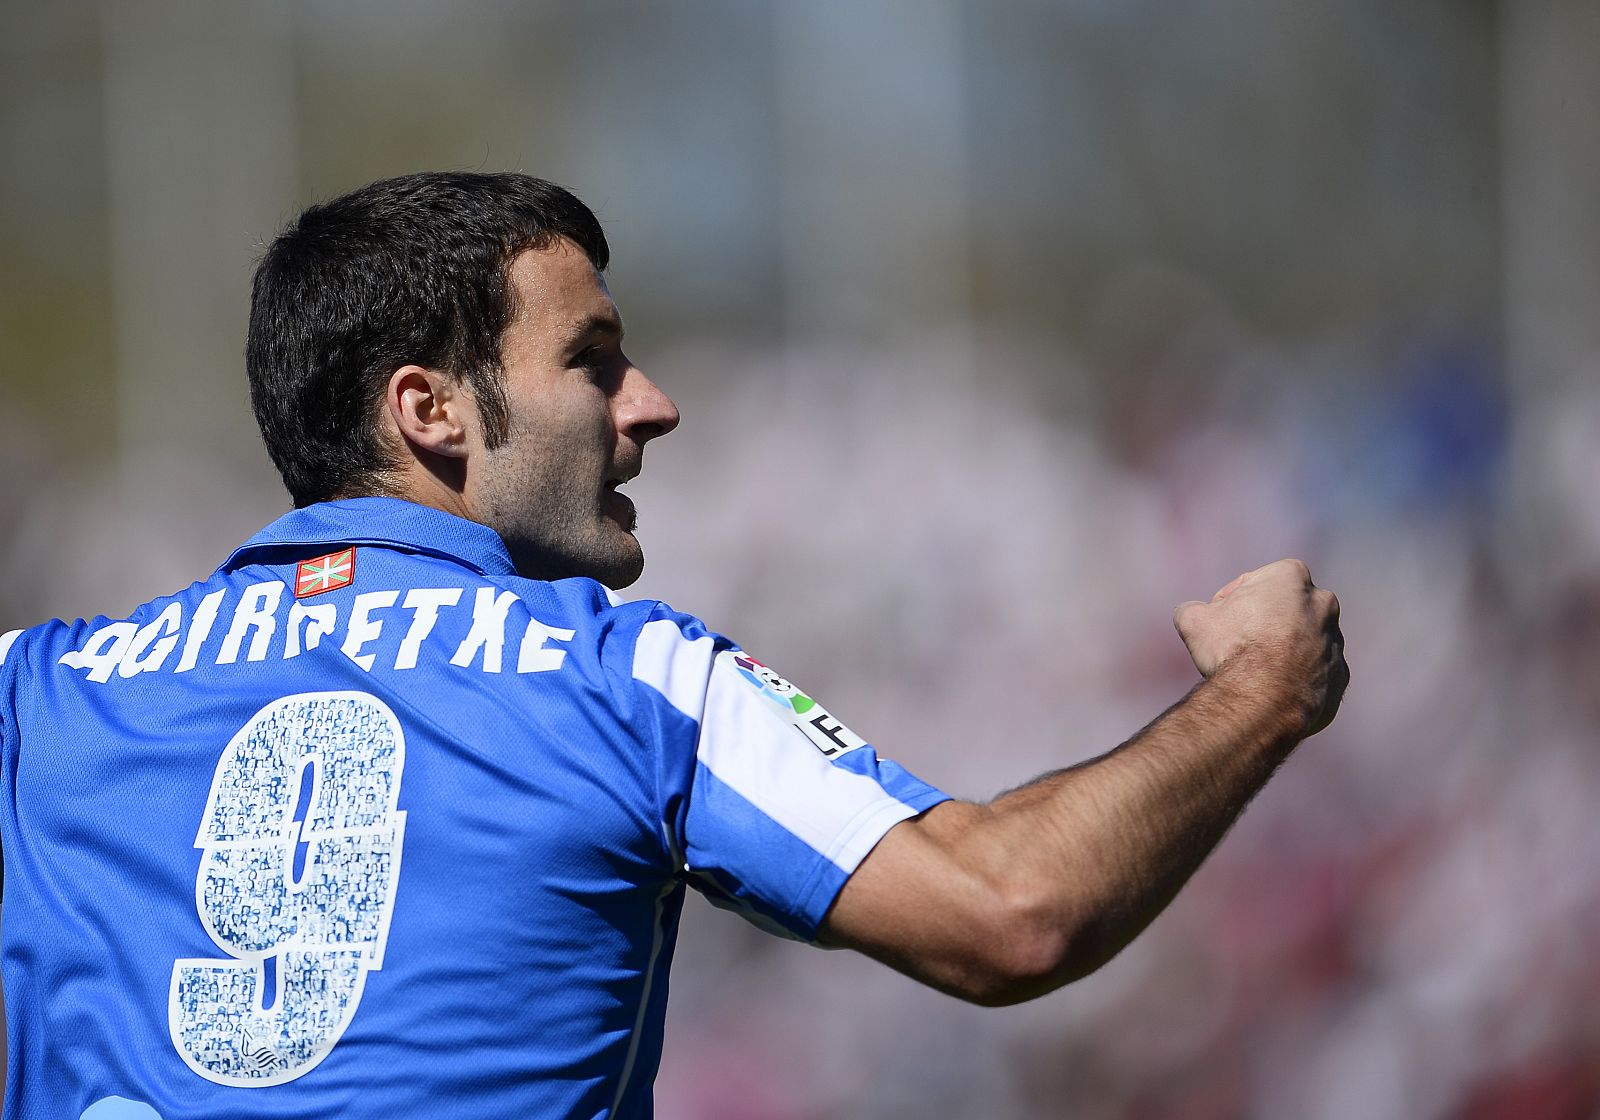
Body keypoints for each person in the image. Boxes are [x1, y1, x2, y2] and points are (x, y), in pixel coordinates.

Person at [0, 172, 1346, 1119]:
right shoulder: (623, 681)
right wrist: (1259, 692)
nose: (655, 406)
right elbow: (1014, 912)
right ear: (430, 411)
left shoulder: (34, 697)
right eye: (592, 361)